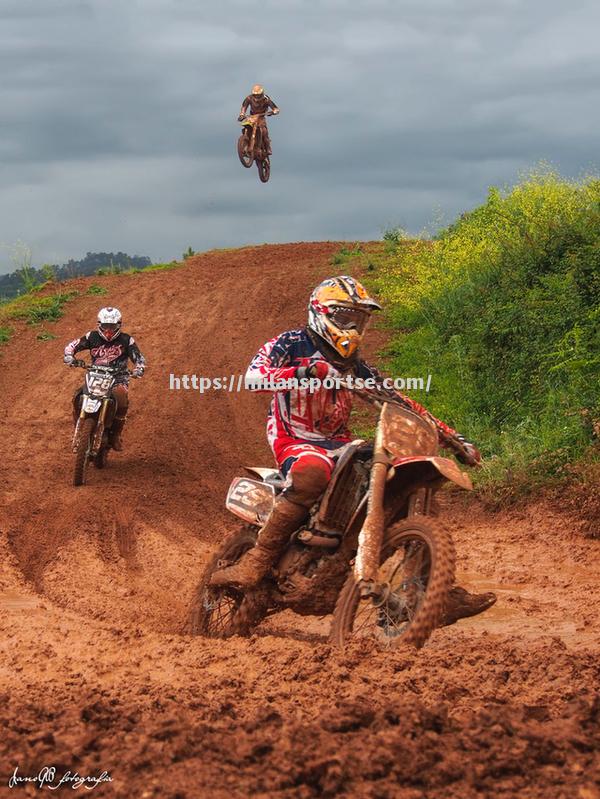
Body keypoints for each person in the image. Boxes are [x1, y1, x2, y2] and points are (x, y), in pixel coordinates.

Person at [210, 275, 496, 625]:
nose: (352, 327)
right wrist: (301, 371)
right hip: (294, 437)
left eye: (358, 320)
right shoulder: (291, 342)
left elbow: (399, 399)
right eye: (345, 318)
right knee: (312, 472)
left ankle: (428, 588)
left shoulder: (356, 365)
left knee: (401, 482)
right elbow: (253, 378)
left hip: (338, 441)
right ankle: (258, 557)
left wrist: (452, 437)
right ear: (322, 313)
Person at [63, 307, 145, 451]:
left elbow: (139, 358)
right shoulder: (92, 337)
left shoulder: (126, 340)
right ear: (99, 325)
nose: (108, 330)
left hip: (118, 377)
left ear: (118, 325)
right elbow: (72, 346)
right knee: (78, 395)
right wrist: (70, 355)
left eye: (112, 327)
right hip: (95, 375)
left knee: (121, 398)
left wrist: (139, 368)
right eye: (105, 326)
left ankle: (115, 436)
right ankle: (79, 426)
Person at [238, 84, 279, 155]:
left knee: (264, 131)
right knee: (246, 126)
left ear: (262, 93)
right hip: (252, 116)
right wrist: (242, 114)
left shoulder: (266, 99)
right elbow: (244, 107)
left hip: (261, 116)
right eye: (255, 95)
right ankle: (245, 142)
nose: (256, 96)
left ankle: (268, 147)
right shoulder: (249, 98)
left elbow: (275, 108)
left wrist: (274, 111)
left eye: (258, 95)